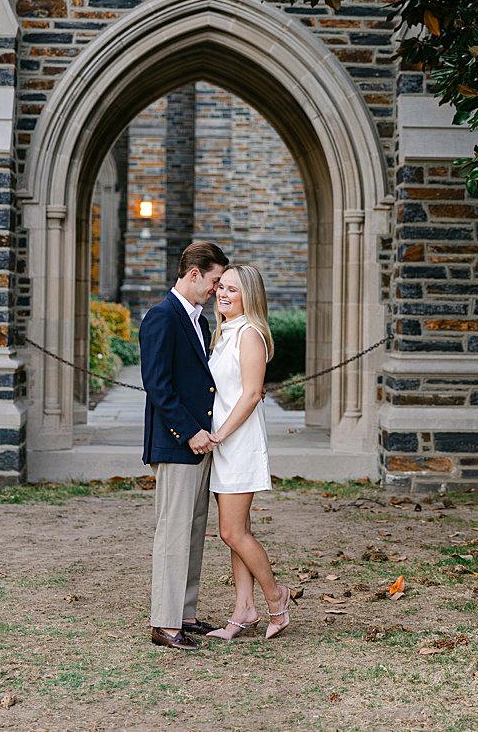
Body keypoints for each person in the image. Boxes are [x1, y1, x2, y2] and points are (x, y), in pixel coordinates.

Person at [140, 240, 229, 651]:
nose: (216, 289)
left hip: (202, 441)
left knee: (194, 531)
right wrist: (188, 431)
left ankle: (184, 613)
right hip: (178, 443)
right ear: (194, 274)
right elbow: (158, 386)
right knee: (173, 532)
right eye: (213, 281)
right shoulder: (161, 317)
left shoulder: (200, 321)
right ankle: (163, 622)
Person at [204, 264, 296, 641]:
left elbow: (252, 394)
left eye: (233, 290)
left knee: (231, 532)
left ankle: (277, 598)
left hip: (238, 443)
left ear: (250, 297)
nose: (224, 294)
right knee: (236, 531)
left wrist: (220, 435)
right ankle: (244, 609)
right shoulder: (223, 332)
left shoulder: (249, 334)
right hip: (223, 442)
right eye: (221, 287)